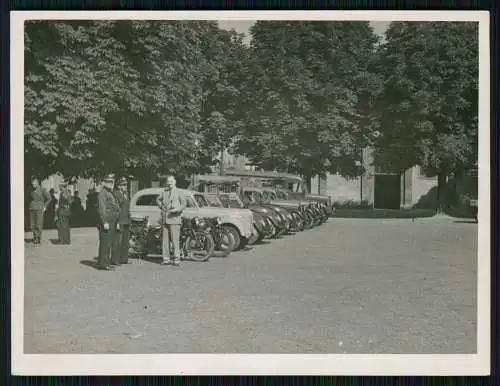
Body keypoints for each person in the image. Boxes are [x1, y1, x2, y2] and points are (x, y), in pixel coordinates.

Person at [156, 175, 186, 267]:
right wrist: (161, 206)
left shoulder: (179, 192)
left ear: (175, 182)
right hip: (165, 219)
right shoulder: (164, 192)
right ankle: (166, 259)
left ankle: (176, 259)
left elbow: (184, 204)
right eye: (168, 182)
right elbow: (157, 199)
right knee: (165, 241)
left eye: (171, 182)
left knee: (175, 240)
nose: (169, 184)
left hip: (175, 219)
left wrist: (178, 209)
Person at [97, 174, 120, 270]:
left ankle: (106, 262)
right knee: (105, 243)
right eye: (109, 182)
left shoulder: (110, 193)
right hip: (107, 220)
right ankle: (104, 264)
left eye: (112, 182)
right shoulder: (103, 193)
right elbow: (102, 209)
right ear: (104, 183)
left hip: (112, 220)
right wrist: (104, 221)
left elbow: (116, 207)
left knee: (109, 242)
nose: (111, 184)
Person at [112, 177, 131, 265]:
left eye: (126, 185)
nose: (125, 186)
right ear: (119, 186)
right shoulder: (116, 194)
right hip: (120, 220)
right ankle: (116, 260)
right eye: (123, 185)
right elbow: (116, 209)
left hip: (126, 220)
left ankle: (124, 258)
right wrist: (117, 222)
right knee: (118, 241)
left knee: (125, 241)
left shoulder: (126, 194)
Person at [29, 177, 50, 244]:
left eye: (34, 183)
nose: (33, 184)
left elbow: (49, 198)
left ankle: (38, 238)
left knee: (39, 223)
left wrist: (45, 207)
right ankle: (35, 236)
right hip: (32, 208)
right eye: (32, 183)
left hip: (39, 209)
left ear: (38, 182)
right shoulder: (31, 190)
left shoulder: (42, 190)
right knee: (33, 224)